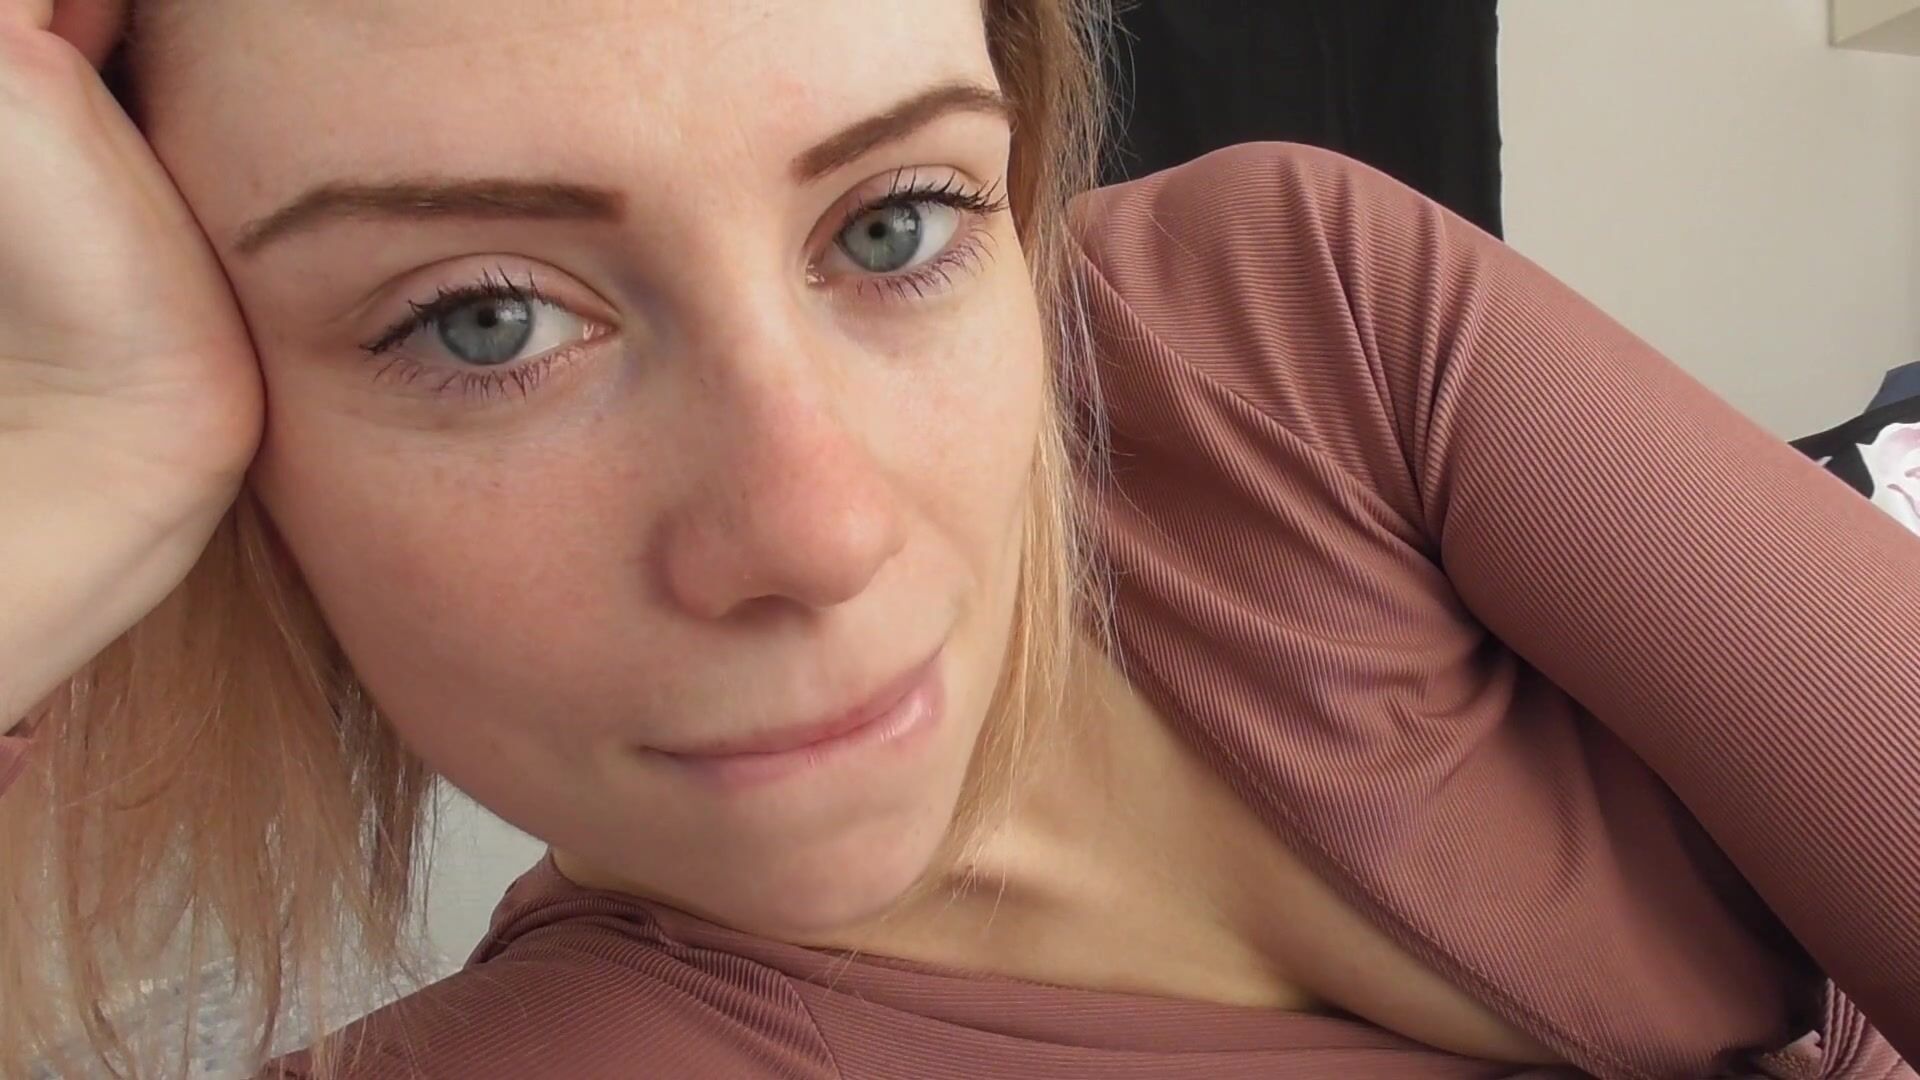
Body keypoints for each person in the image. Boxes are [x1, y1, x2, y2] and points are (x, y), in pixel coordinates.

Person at [1, 2, 1915, 1078]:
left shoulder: (1283, 320)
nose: (819, 531)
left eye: (893, 224)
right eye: (482, 321)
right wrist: (76, 464)